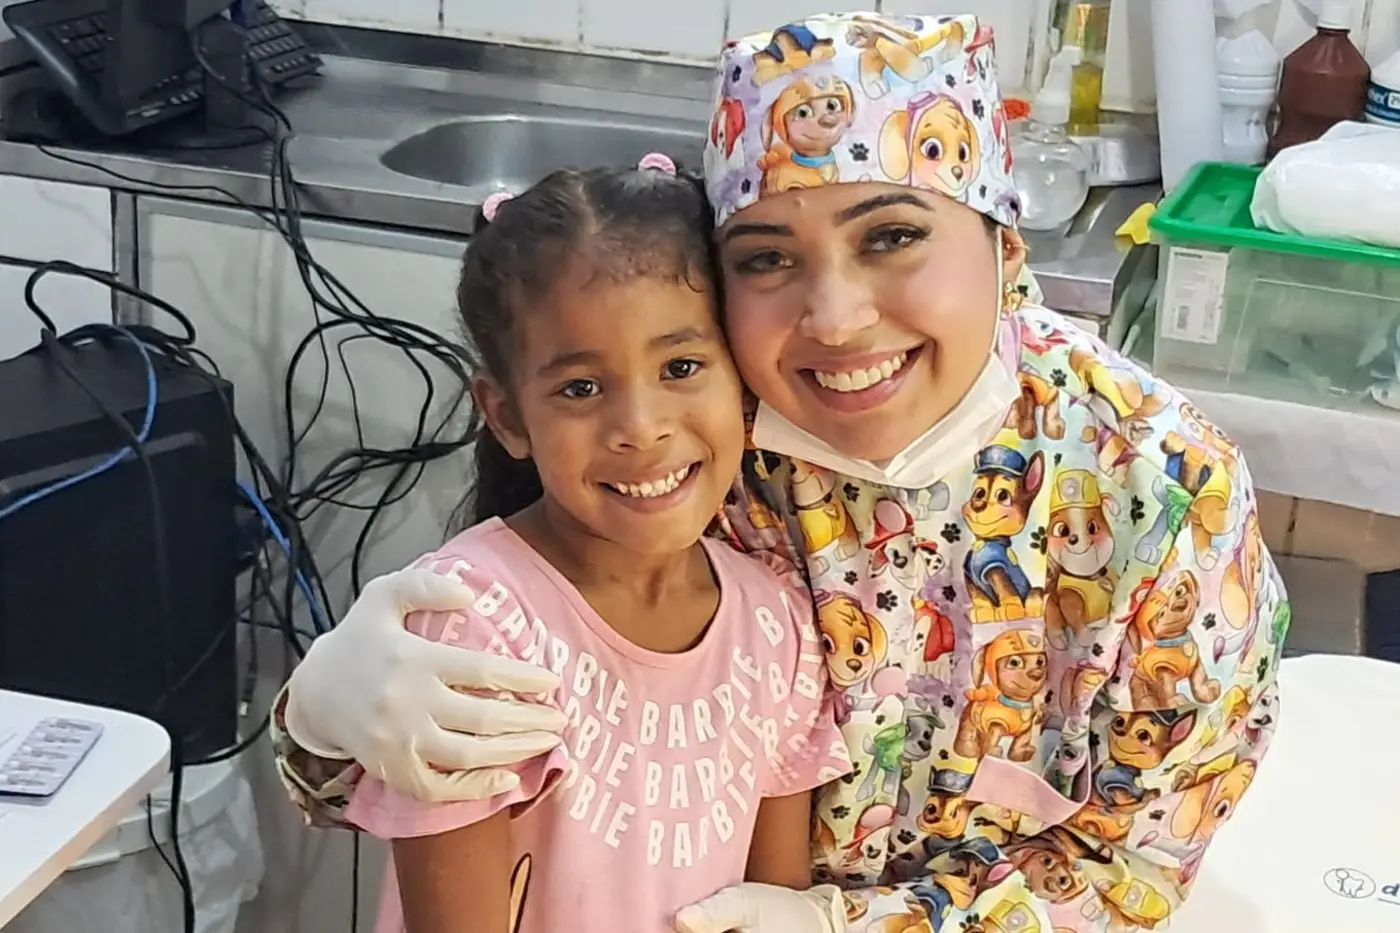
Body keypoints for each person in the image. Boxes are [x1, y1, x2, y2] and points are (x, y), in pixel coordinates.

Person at [273, 12, 1288, 933]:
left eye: (892, 236)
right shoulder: (704, 451)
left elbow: (1135, 863)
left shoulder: (1159, 492)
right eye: (766, 258)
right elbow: (452, 762)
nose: (835, 320)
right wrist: (316, 722)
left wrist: (847, 925)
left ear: (1003, 242)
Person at [344, 159, 852, 933]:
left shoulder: (776, 625)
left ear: (742, 375)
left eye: (681, 367)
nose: (640, 427)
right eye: (581, 387)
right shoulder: (472, 624)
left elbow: (773, 901)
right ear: (507, 416)